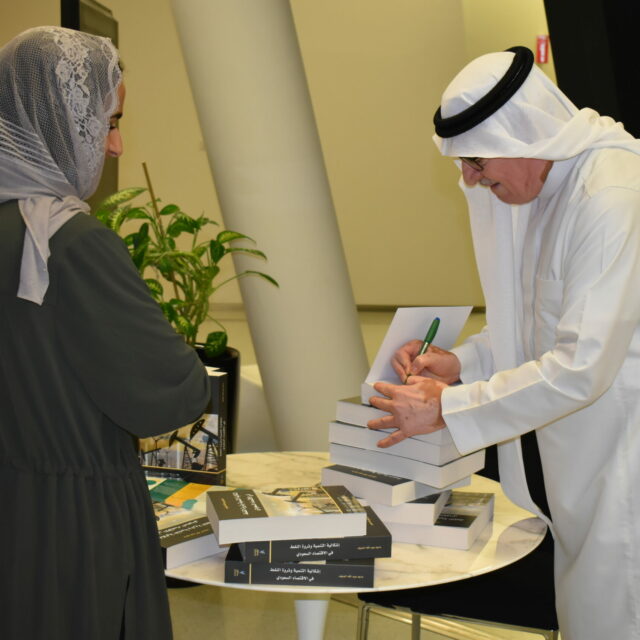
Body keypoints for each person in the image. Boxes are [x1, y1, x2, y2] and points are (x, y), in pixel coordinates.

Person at [367, 46, 640, 640]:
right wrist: (459, 362)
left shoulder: (609, 194)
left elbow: (579, 367)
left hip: (627, 469)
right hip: (583, 470)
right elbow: (532, 327)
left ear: (524, 134)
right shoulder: (547, 192)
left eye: (476, 160)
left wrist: (446, 409)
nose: (470, 178)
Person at [0, 27, 210, 639]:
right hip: (74, 528)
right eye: (107, 121)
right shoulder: (74, 243)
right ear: (57, 123)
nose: (116, 145)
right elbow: (169, 395)